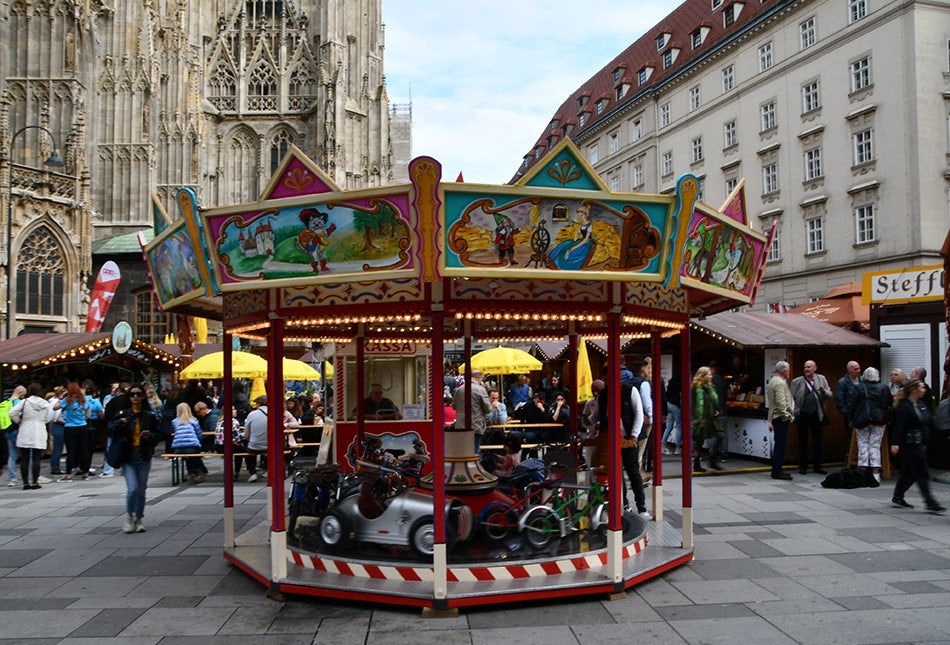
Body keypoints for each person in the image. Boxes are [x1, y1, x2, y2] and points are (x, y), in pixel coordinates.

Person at [108, 385, 163, 533]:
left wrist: (149, 436)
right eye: (132, 394)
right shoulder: (123, 414)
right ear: (129, 397)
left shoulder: (149, 416)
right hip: (128, 456)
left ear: (143, 396)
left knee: (141, 489)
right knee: (132, 488)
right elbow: (109, 430)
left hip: (143, 455)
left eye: (138, 394)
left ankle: (139, 518)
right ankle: (129, 516)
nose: (135, 397)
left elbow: (158, 435)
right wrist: (120, 422)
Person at [595, 368, 648, 516]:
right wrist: (587, 420)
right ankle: (624, 503)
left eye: (608, 378)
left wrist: (634, 435)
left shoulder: (630, 390)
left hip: (628, 437)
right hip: (612, 439)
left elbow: (638, 413)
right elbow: (597, 414)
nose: (606, 382)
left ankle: (641, 506)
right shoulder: (603, 394)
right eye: (605, 379)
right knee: (616, 471)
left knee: (633, 471)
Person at [889, 379, 945, 514]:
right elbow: (898, 426)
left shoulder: (921, 404)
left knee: (909, 472)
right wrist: (895, 443)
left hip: (921, 442)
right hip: (911, 444)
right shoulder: (905, 406)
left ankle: (898, 496)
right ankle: (930, 502)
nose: (924, 390)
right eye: (921, 387)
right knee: (922, 473)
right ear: (914, 389)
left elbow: (929, 421)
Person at [846, 367, 891, 482]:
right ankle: (876, 473)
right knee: (875, 445)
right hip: (879, 419)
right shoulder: (884, 387)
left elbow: (852, 404)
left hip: (862, 419)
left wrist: (850, 419)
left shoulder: (859, 387)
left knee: (863, 444)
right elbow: (888, 403)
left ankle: (862, 471)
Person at [790, 360, 832, 475]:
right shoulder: (797, 381)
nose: (806, 369)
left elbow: (830, 395)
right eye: (805, 367)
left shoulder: (821, 379)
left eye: (809, 367)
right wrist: (793, 412)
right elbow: (791, 397)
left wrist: (824, 391)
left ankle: (818, 466)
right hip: (802, 414)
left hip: (816, 414)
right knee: (802, 440)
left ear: (815, 368)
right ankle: (803, 466)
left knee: (818, 440)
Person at [9, 383, 51, 490]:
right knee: (36, 458)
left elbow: (12, 412)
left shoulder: (25, 402)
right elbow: (49, 417)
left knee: (25, 458)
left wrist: (19, 421)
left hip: (25, 429)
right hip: (39, 430)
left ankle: (25, 483)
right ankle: (35, 482)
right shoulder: (45, 403)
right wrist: (42, 421)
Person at [55, 382, 93, 481]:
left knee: (71, 451)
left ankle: (68, 474)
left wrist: (61, 397)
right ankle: (86, 472)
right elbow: (88, 415)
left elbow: (55, 407)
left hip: (70, 427)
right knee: (84, 450)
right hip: (82, 426)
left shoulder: (67, 400)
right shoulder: (84, 400)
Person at [690, 366, 723, 472]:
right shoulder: (695, 389)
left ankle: (712, 459)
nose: (711, 376)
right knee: (699, 442)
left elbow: (714, 401)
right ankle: (696, 464)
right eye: (709, 374)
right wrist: (697, 420)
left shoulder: (710, 388)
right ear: (702, 376)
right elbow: (693, 405)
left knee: (720, 435)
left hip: (711, 418)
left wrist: (717, 410)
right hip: (701, 419)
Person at [766, 361, 794, 481]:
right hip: (780, 417)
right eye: (788, 370)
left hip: (776, 416)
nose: (789, 372)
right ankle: (777, 471)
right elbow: (781, 402)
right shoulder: (779, 382)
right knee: (780, 445)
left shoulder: (774, 380)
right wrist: (787, 416)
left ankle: (777, 470)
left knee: (779, 443)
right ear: (784, 371)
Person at [453, 369, 492, 453]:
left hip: (460, 425)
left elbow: (454, 406)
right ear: (479, 378)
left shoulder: (459, 389)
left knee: (463, 451)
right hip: (476, 425)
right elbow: (488, 409)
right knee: (474, 451)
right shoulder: (481, 390)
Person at [171, 402, 206, 484]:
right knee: (194, 452)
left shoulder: (174, 421)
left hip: (178, 448)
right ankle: (199, 472)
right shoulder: (193, 420)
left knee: (187, 454)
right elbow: (199, 434)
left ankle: (190, 473)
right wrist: (199, 443)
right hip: (192, 447)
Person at [0, 386, 26, 487]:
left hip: (8, 431)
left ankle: (13, 478)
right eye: (24, 394)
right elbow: (20, 415)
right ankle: (31, 476)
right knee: (27, 454)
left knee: (12, 455)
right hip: (17, 431)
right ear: (20, 392)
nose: (24, 396)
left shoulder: (5, 402)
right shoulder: (18, 402)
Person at [243, 394, 269, 483]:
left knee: (246, 446)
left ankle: (252, 472)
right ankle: (268, 469)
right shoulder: (275, 413)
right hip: (270, 446)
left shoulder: (252, 414)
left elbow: (246, 435)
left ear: (258, 403)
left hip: (254, 447)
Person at [708, 360, 729, 460]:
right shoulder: (724, 380)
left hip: (711, 410)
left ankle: (712, 454)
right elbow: (729, 395)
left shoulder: (707, 381)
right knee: (723, 432)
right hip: (723, 410)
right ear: (717, 368)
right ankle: (724, 454)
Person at [662, 374, 683, 455]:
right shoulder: (680, 385)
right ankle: (677, 447)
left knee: (669, 426)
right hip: (676, 406)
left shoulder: (670, 384)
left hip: (669, 405)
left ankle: (663, 445)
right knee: (679, 426)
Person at [48, 386, 66, 475]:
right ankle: (55, 468)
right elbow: (57, 418)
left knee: (56, 447)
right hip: (59, 426)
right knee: (58, 448)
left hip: (53, 426)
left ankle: (54, 466)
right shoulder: (58, 403)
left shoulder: (51, 401)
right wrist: (67, 422)